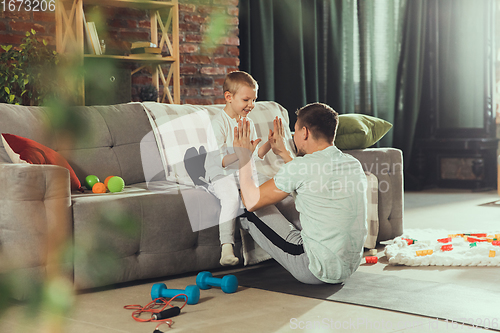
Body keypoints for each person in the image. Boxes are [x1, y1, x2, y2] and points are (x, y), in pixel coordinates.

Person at [233, 102, 368, 284]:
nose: (293, 135)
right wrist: (283, 152)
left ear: (305, 132)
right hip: (349, 267)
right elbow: (307, 174)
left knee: (244, 208)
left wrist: (244, 157)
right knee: (292, 199)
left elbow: (251, 201)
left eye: (295, 131)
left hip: (314, 268)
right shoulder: (353, 164)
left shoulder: (302, 167)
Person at [206, 71, 272, 266]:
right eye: (246, 99)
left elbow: (254, 156)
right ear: (229, 97)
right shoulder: (217, 124)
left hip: (241, 171)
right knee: (231, 197)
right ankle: (226, 247)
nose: (251, 105)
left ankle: (263, 250)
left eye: (254, 100)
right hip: (220, 173)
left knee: (268, 189)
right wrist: (243, 153)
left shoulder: (248, 123)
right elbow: (220, 161)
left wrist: (269, 144)